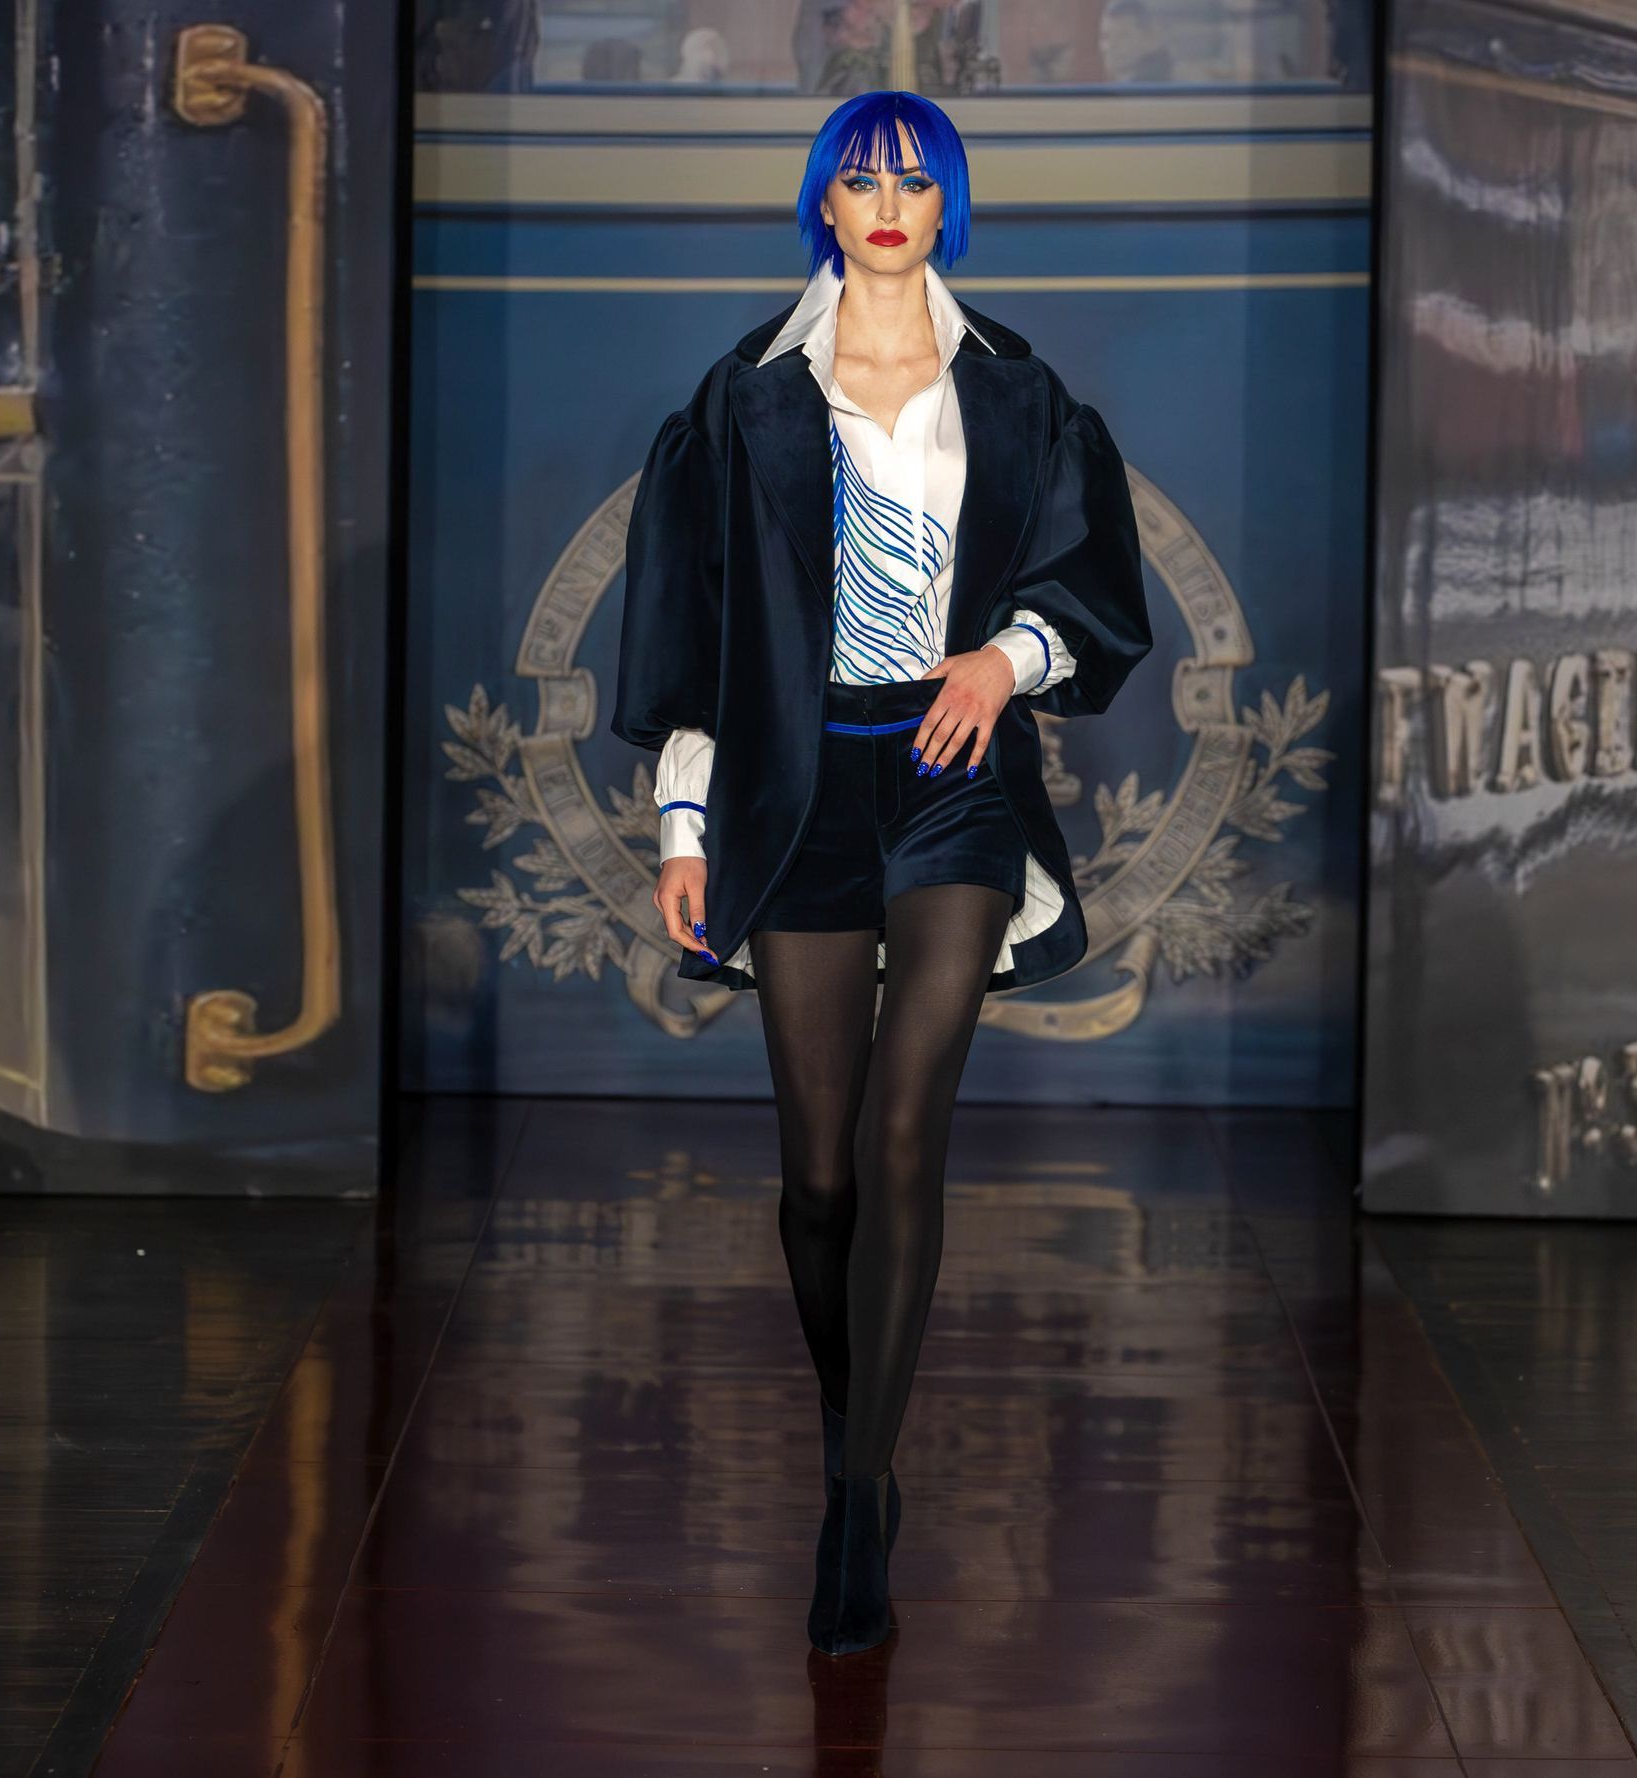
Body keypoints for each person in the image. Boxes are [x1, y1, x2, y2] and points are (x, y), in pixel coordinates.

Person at [609, 89, 1151, 1657]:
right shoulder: (744, 400)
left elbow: (1092, 581)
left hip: (951, 774)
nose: (892, 202)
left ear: (948, 203)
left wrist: (1004, 655)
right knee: (821, 1172)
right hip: (797, 788)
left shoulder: (1020, 393)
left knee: (909, 1126)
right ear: (826, 207)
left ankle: (856, 1503)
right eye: (863, 180)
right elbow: (695, 625)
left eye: (918, 178)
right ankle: (858, 1421)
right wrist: (686, 826)